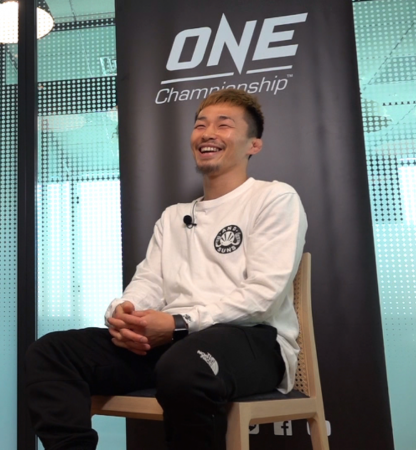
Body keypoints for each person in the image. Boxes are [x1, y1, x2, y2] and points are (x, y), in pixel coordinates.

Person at [25, 89, 307, 450]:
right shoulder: (174, 217)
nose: (208, 133)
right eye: (200, 125)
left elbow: (262, 296)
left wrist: (178, 323)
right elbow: (149, 281)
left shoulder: (274, 198)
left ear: (254, 145)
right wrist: (124, 313)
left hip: (253, 340)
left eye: (224, 125)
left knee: (184, 366)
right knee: (51, 352)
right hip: (173, 343)